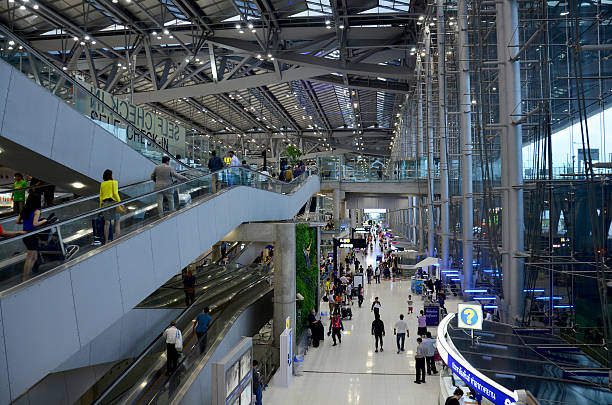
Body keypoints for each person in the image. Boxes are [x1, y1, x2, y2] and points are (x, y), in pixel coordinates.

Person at [16, 193, 47, 281]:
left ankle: (27, 276)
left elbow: (17, 221)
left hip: (25, 235)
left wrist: (26, 223)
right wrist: (43, 221)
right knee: (30, 257)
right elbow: (35, 224)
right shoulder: (37, 211)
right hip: (32, 235)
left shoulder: (24, 209)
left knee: (34, 257)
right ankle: (25, 278)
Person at [99, 169, 122, 244]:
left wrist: (100, 208)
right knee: (117, 222)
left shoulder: (102, 184)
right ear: (110, 175)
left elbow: (101, 197)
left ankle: (106, 241)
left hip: (105, 204)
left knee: (107, 223)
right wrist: (120, 203)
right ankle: (117, 240)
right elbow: (115, 193)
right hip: (114, 203)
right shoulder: (114, 182)